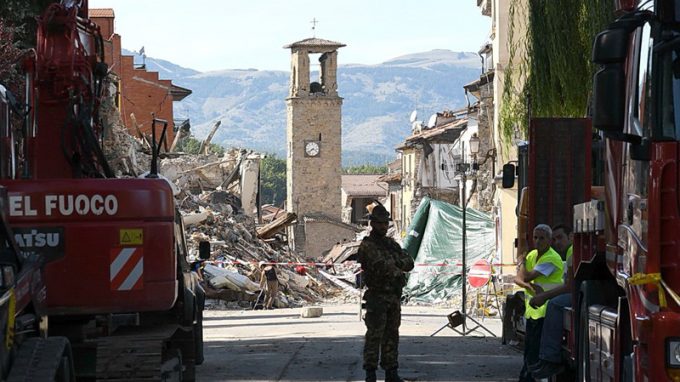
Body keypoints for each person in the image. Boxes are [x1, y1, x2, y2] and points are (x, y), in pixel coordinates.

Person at [357, 203, 414, 382]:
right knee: (374, 335)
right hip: (377, 296)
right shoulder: (367, 245)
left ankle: (391, 371)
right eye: (380, 223)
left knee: (392, 335)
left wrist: (395, 262)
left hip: (393, 296)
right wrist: (397, 264)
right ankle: (370, 373)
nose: (383, 226)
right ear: (372, 224)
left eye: (385, 223)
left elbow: (409, 262)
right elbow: (381, 266)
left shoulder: (391, 244)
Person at [514, 224, 564, 382]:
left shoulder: (551, 258)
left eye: (542, 238)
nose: (537, 241)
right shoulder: (533, 255)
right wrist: (526, 284)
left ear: (550, 240)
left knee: (535, 353)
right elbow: (518, 279)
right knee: (529, 351)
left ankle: (529, 378)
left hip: (546, 312)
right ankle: (527, 377)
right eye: (535, 237)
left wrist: (521, 263)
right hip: (532, 312)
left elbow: (526, 276)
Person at [529, 224, 574, 379]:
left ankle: (550, 358)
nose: (557, 242)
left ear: (571, 236)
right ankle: (546, 359)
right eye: (554, 239)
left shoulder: (571, 252)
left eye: (560, 237)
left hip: (573, 297)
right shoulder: (567, 253)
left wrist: (544, 296)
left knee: (554, 305)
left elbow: (569, 286)